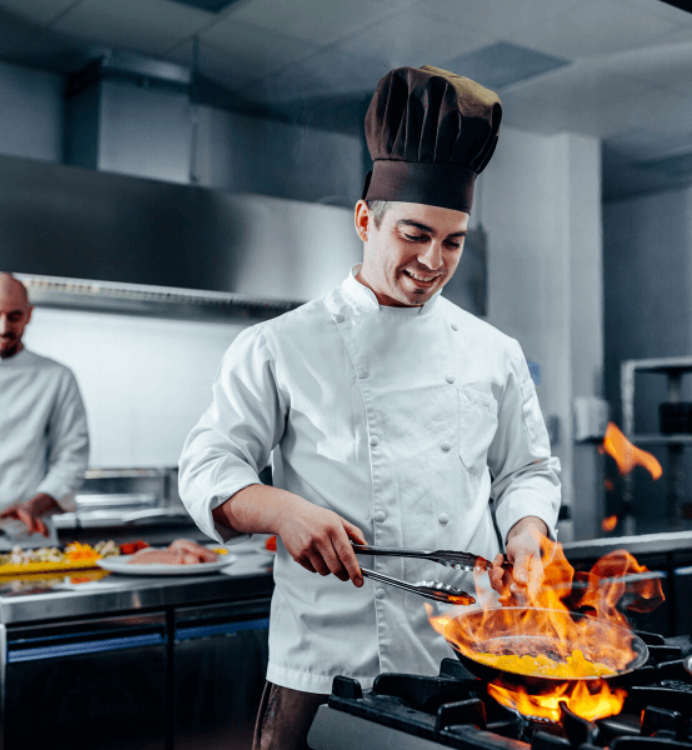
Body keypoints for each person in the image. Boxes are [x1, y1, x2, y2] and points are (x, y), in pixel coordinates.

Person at [178, 66, 561, 750]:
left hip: (467, 662)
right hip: (322, 671)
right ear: (365, 219)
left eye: (453, 241)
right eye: (414, 234)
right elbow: (208, 465)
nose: (433, 261)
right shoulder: (278, 346)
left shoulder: (492, 351)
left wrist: (527, 534)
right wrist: (282, 510)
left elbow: (525, 470)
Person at [0, 273, 89, 555]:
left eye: (15, 316)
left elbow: (72, 458)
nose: (3, 327)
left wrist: (35, 505)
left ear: (30, 314)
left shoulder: (57, 378)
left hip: (27, 539)